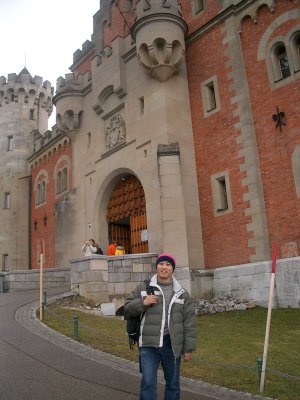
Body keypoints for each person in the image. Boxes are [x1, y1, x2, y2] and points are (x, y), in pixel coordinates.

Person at [124, 253, 196, 400]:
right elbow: (127, 308)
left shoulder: (181, 293)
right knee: (148, 383)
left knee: (173, 384)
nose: (164, 267)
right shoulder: (144, 287)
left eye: (168, 264)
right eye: (161, 264)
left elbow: (189, 322)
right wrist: (142, 303)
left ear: (172, 269)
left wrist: (188, 348)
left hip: (172, 345)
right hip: (149, 344)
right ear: (156, 266)